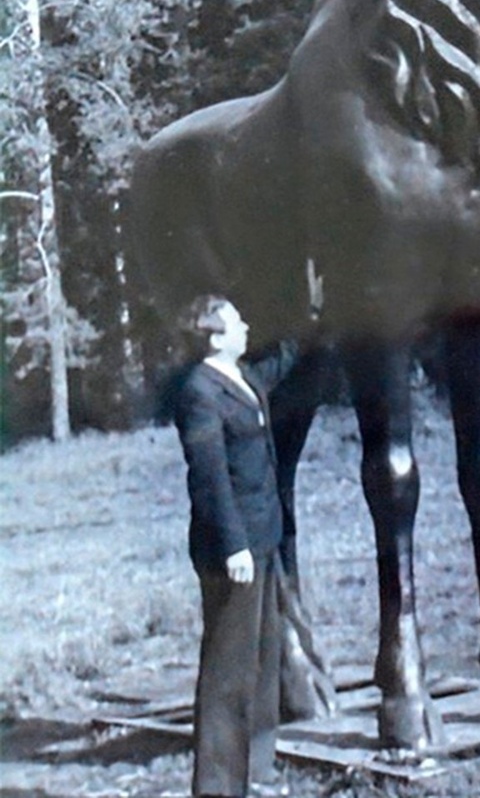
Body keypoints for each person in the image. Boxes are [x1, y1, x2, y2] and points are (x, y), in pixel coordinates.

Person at [172, 295, 286, 798]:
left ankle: (253, 770)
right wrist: (234, 546)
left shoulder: (241, 379)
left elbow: (282, 364)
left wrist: (312, 321)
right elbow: (209, 477)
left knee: (260, 658)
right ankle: (217, 787)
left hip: (263, 538)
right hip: (232, 550)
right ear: (215, 335)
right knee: (228, 671)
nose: (246, 325)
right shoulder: (200, 391)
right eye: (237, 320)